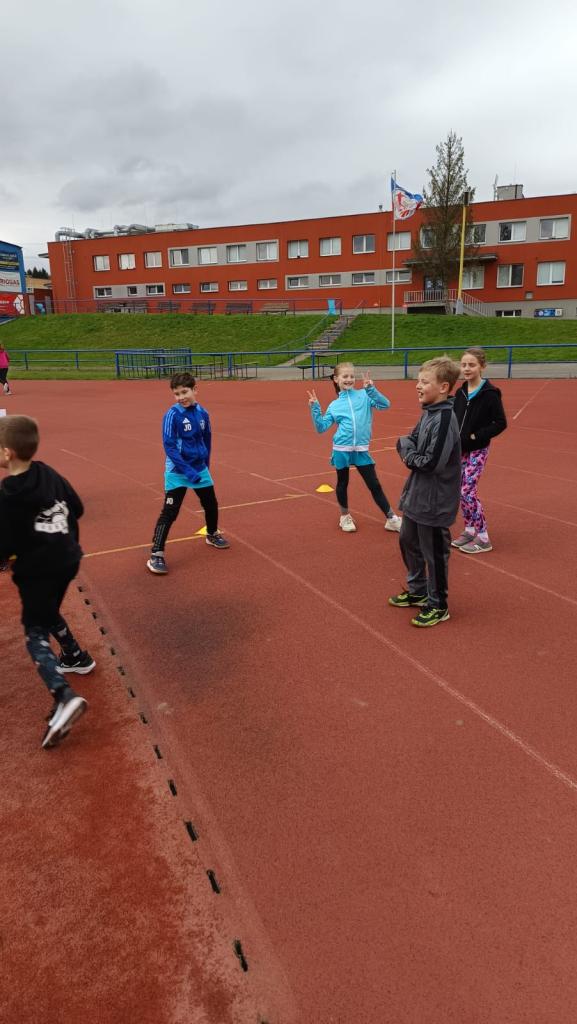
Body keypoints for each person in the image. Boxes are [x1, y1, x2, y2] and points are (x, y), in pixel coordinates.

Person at [0, 415, 94, 748]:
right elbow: (76, 507)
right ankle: (75, 656)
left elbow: (4, 545)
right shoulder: (48, 472)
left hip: (39, 569)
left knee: (34, 632)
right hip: (68, 559)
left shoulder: (8, 494)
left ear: (7, 453)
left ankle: (62, 693)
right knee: (47, 607)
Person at [389, 356, 461, 627]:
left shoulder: (444, 418)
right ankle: (418, 590)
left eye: (424, 382)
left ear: (443, 387)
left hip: (434, 501)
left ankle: (438, 604)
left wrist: (407, 453)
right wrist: (408, 448)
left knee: (435, 553)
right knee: (408, 541)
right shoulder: (429, 412)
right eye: (418, 381)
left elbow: (429, 462)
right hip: (417, 495)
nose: (417, 386)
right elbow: (409, 440)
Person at [147, 371, 229, 574]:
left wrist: (205, 465)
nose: (181, 397)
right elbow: (170, 447)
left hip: (199, 469)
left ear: (194, 390)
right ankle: (156, 554)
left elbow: (207, 440)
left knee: (211, 504)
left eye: (184, 392)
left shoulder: (203, 413)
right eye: (176, 394)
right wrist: (187, 471)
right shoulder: (172, 415)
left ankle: (212, 534)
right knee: (170, 512)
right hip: (178, 471)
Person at [307, 362, 402, 533]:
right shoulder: (334, 405)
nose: (349, 379)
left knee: (374, 484)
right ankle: (344, 517)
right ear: (336, 379)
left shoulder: (364, 395)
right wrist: (315, 407)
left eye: (352, 376)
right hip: (341, 450)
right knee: (342, 482)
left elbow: (385, 404)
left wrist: (371, 389)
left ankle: (391, 519)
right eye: (345, 376)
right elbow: (321, 427)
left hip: (361, 450)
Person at [451, 347, 507, 554]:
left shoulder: (490, 394)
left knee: (467, 491)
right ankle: (469, 529)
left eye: (472, 365)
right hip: (460, 449)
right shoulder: (460, 392)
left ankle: (483, 538)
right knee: (459, 490)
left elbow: (500, 423)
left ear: (482, 366)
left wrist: (477, 436)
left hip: (477, 450)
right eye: (464, 365)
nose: (467, 368)